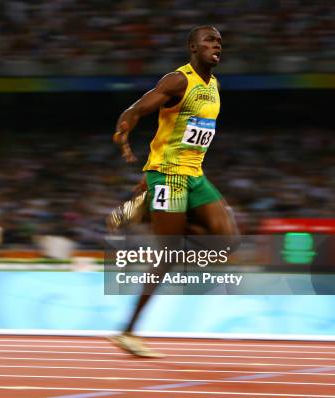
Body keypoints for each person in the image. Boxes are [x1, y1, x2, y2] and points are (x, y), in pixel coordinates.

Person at [108, 26, 239, 357]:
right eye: (209, 40)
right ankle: (128, 332)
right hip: (168, 175)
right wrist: (125, 127)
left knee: (226, 241)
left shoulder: (214, 86)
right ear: (193, 47)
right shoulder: (178, 80)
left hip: (194, 175)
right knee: (167, 255)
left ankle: (145, 207)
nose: (216, 44)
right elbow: (139, 107)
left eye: (219, 41)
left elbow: (196, 134)